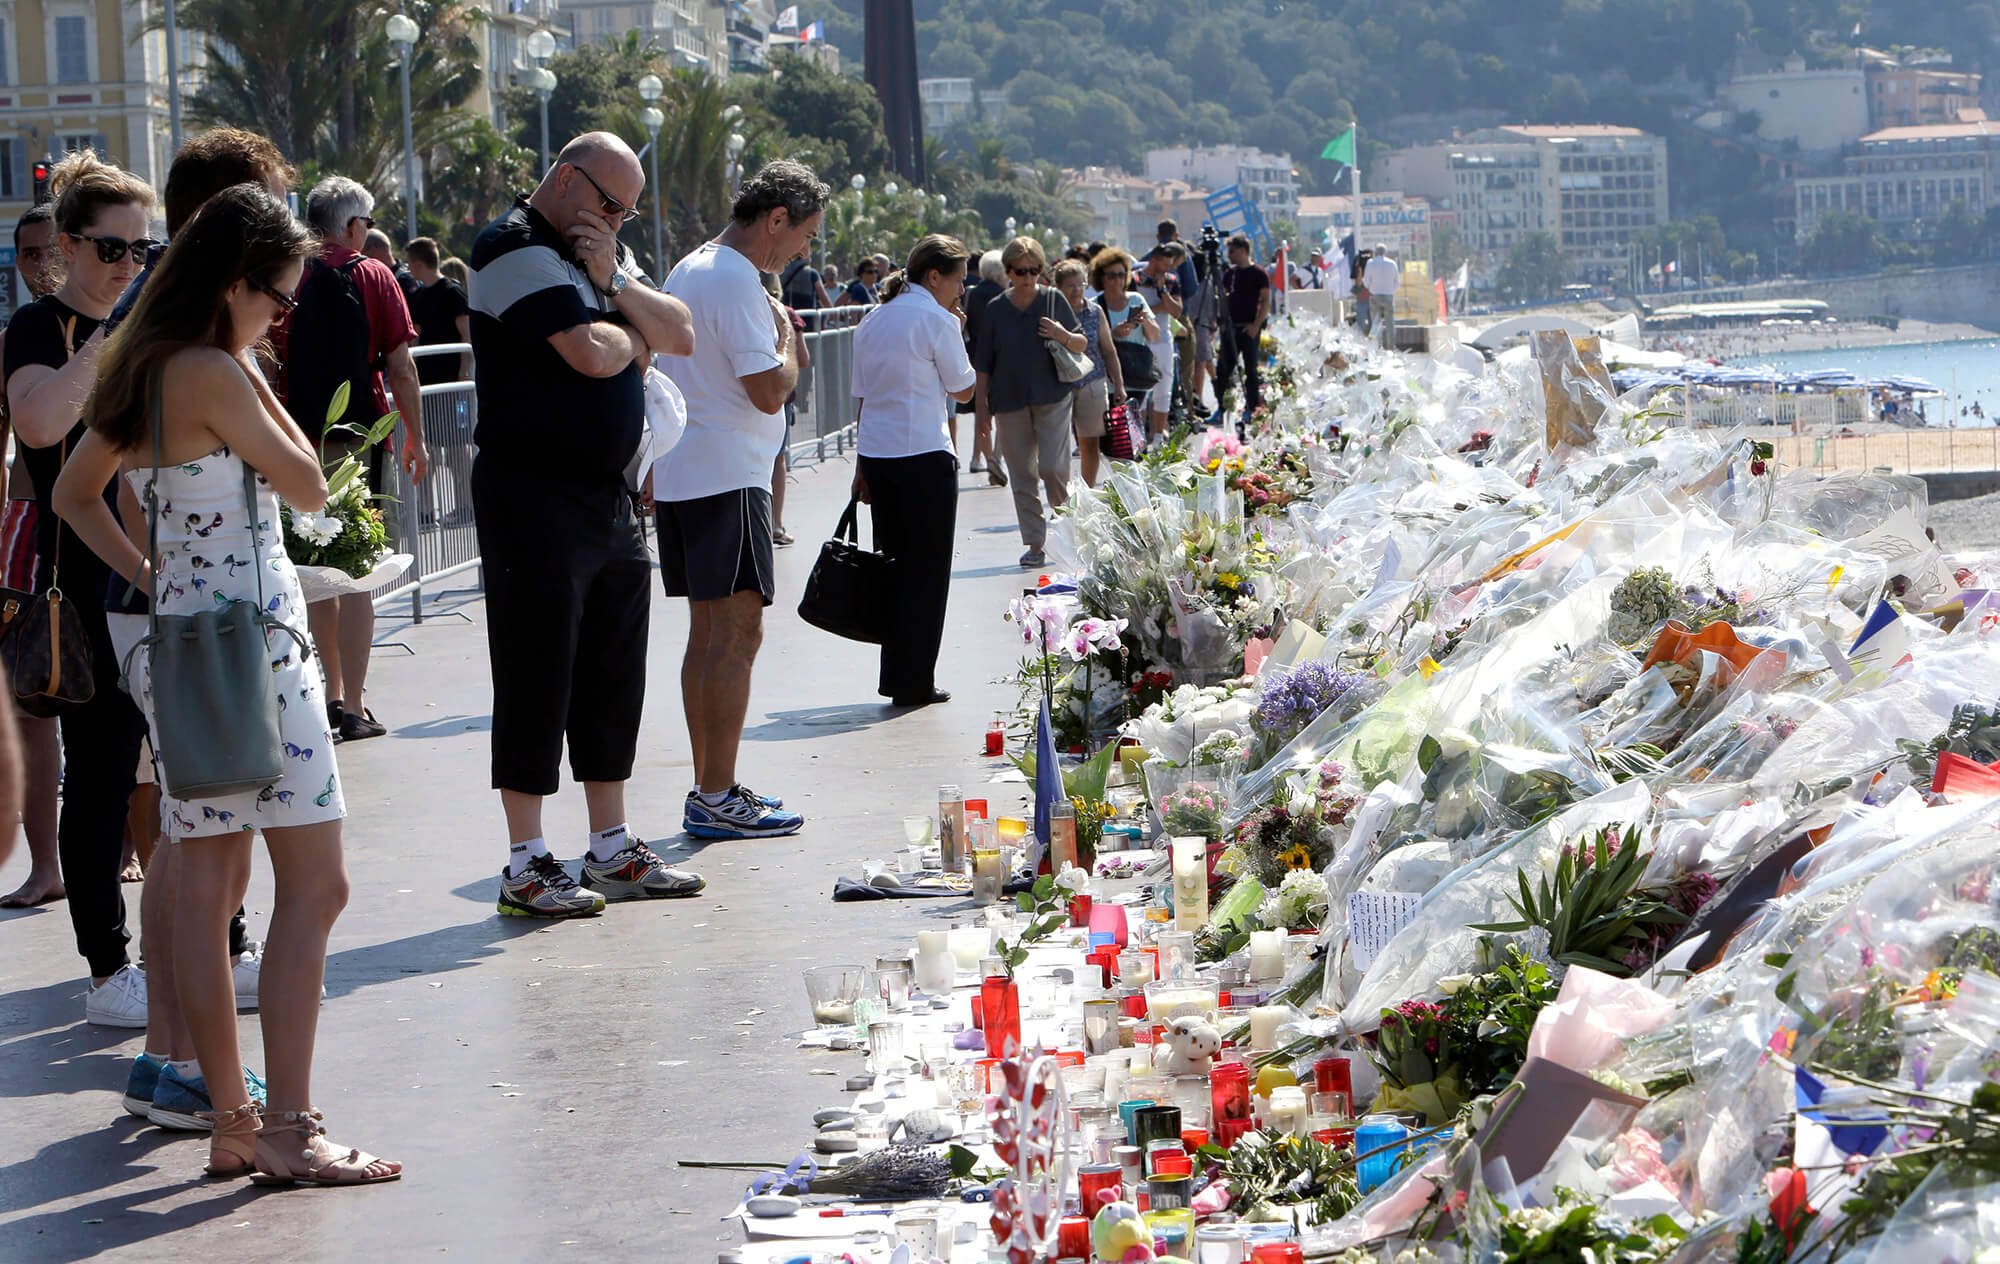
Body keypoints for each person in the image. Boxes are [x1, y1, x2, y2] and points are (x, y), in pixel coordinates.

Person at [55, 182, 399, 1185]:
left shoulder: (148, 365)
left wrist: (155, 569)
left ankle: (236, 1121)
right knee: (314, 882)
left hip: (183, 642)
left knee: (204, 888)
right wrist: (259, 382)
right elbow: (305, 482)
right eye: (277, 295)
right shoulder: (215, 366)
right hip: (259, 643)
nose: (284, 312)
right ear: (235, 284)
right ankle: (287, 1123)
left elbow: (79, 491)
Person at [90, 125, 298, 1126]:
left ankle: (170, 1056)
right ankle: (180, 1064)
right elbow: (98, 476)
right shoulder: (184, 341)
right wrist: (154, 567)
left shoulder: (162, 328)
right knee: (201, 844)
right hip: (190, 622)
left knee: (191, 836)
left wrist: (147, 568)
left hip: (173, 615)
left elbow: (93, 485)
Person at [467, 131, 701, 915]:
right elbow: (592, 353)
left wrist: (611, 277)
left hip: (607, 492)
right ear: (566, 180)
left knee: (611, 669)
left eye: (628, 213)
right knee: (537, 668)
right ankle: (526, 859)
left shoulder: (596, 249)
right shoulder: (512, 244)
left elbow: (684, 332)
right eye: (609, 204)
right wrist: (630, 326)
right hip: (532, 492)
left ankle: (611, 846)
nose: (617, 221)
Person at [5, 152, 156, 1028]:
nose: (129, 269)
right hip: (84, 584)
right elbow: (39, 422)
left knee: (182, 775)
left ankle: (226, 944)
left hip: (167, 578)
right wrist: (113, 332)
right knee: (99, 778)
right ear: (66, 247)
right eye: (111, 251)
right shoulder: (38, 332)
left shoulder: (163, 330)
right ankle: (108, 967)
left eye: (145, 251)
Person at [658, 159, 823, 840]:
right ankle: (717, 791)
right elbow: (768, 387)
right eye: (805, 235)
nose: (806, 250)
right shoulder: (733, 277)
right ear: (776, 219)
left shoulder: (694, 267)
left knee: (709, 636)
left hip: (692, 471)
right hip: (727, 474)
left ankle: (710, 786)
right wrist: (786, 339)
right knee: (736, 634)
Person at [282, 176, 429, 744]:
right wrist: (414, 434)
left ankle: (328, 694)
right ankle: (357, 706)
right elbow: (400, 365)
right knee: (358, 571)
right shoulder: (373, 275)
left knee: (317, 573)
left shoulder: (287, 275)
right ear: (352, 226)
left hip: (300, 442)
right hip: (363, 438)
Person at [850, 234, 977, 706]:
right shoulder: (938, 321)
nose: (961, 290)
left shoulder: (872, 319)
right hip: (924, 455)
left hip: (881, 457)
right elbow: (964, 390)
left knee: (894, 566)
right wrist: (958, 334)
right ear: (935, 276)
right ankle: (915, 677)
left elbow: (863, 399)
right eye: (959, 280)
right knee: (927, 573)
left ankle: (896, 674)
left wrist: (861, 464)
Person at [0, 203, 65, 909]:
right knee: (33, 706)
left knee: (119, 705)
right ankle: (46, 865)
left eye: (50, 251)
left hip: (108, 530)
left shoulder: (118, 328)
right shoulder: (20, 335)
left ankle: (126, 849)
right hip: (30, 535)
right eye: (26, 254)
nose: (39, 266)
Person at [973, 235, 1084, 570]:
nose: (1027, 277)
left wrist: (1061, 334)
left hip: (1052, 396)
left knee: (1053, 468)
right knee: (1022, 475)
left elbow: (1081, 343)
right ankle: (1035, 543)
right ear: (1008, 271)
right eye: (1020, 271)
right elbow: (983, 366)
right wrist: (981, 415)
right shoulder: (995, 310)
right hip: (1009, 402)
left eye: (1034, 270)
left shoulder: (1053, 300)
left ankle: (1067, 533)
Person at [405, 236, 475, 526]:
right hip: (426, 387)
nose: (409, 269)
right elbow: (416, 337)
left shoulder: (453, 292)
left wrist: (463, 373)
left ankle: (465, 507)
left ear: (420, 263)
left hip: (452, 387)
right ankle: (425, 512)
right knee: (428, 449)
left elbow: (466, 334)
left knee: (458, 451)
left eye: (411, 264)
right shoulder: (419, 296)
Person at [1054, 257, 1125, 488]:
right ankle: (1062, 493)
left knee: (1089, 443)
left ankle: (1088, 490)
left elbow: (1108, 350)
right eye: (1070, 285)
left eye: (1080, 284)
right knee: (1058, 444)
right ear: (1059, 287)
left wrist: (1119, 385)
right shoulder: (1052, 312)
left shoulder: (1095, 311)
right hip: (1059, 385)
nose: (1076, 290)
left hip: (1092, 382)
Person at [960, 250, 1006, 482]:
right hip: (1002, 360)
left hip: (975, 357)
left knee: (982, 411)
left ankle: (984, 459)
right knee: (1002, 413)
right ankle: (996, 458)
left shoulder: (970, 294)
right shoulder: (1005, 296)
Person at [1215, 233, 1271, 417]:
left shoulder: (1259, 274)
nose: (1229, 255)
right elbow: (1222, 299)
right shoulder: (1230, 274)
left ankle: (1252, 408)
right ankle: (1222, 408)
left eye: (1232, 251)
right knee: (1224, 370)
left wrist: (1256, 325)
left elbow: (1265, 301)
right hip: (1231, 328)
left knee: (1251, 371)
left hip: (1249, 328)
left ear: (1242, 251)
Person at [1134, 246, 1183, 437]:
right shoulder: (1134, 279)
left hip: (1164, 340)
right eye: (1164, 264)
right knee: (1142, 391)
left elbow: (1177, 311)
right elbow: (1137, 312)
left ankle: (1159, 433)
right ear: (1153, 260)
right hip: (1141, 341)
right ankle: (1139, 436)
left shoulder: (1170, 281)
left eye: (1170, 265)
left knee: (1164, 389)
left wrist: (1163, 291)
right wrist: (1160, 307)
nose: (1167, 269)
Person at [363, 225, 419, 302]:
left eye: (363, 252)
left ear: (374, 248)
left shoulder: (404, 280)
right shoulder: (382, 279)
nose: (362, 258)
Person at [1362, 242, 1400, 350]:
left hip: (1375, 296)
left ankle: (1377, 346)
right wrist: (1391, 290)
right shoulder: (1392, 264)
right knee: (1390, 323)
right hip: (1388, 296)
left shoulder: (1370, 263)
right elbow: (1397, 283)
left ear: (1375, 252)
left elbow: (1366, 282)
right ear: (1385, 252)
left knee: (1375, 323)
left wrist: (1371, 288)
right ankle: (1391, 347)